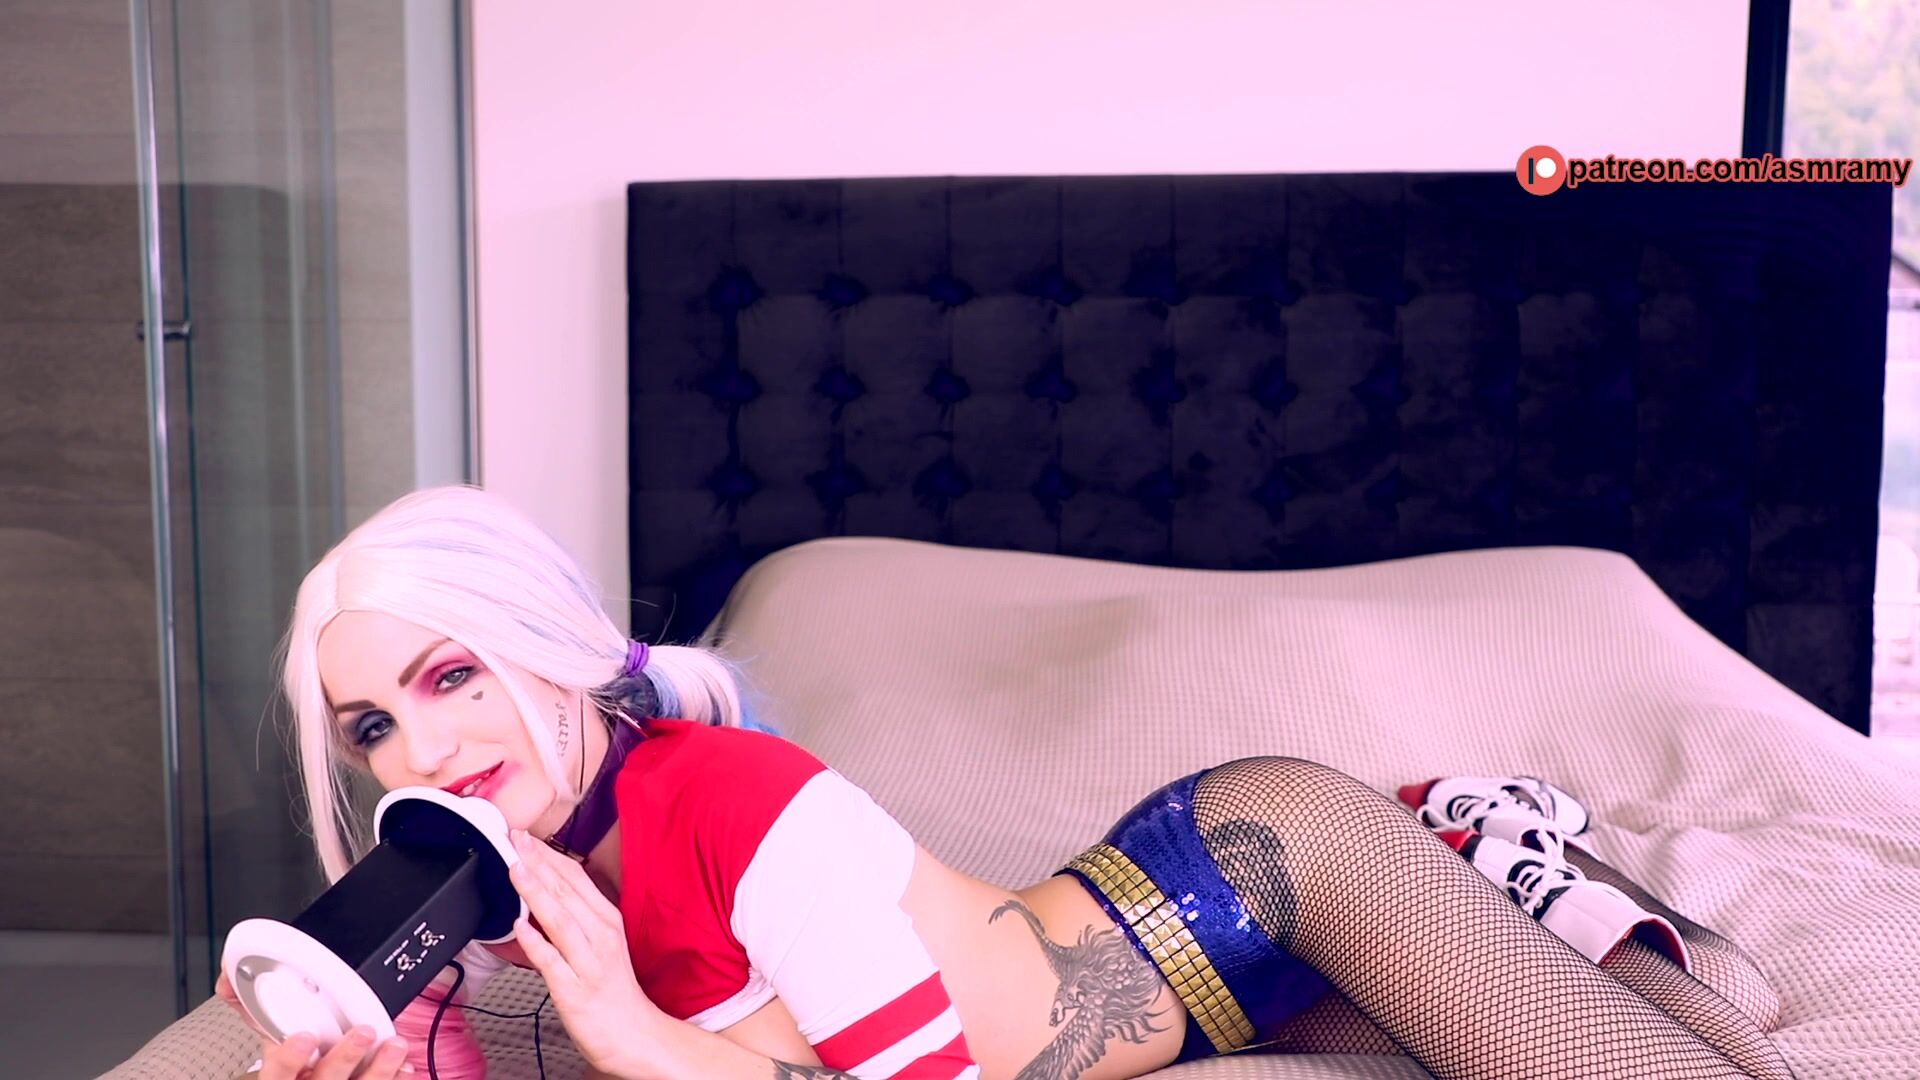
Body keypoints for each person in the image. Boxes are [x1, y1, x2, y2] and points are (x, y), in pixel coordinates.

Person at [223, 485, 1795, 1080]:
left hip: (1264, 869)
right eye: (371, 726)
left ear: (554, 650)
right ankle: (1473, 850)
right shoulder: (501, 880)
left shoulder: (737, 800)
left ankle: (1473, 838)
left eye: (452, 677)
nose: (423, 752)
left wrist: (646, 1047)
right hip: (1193, 997)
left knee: (1716, 1051)